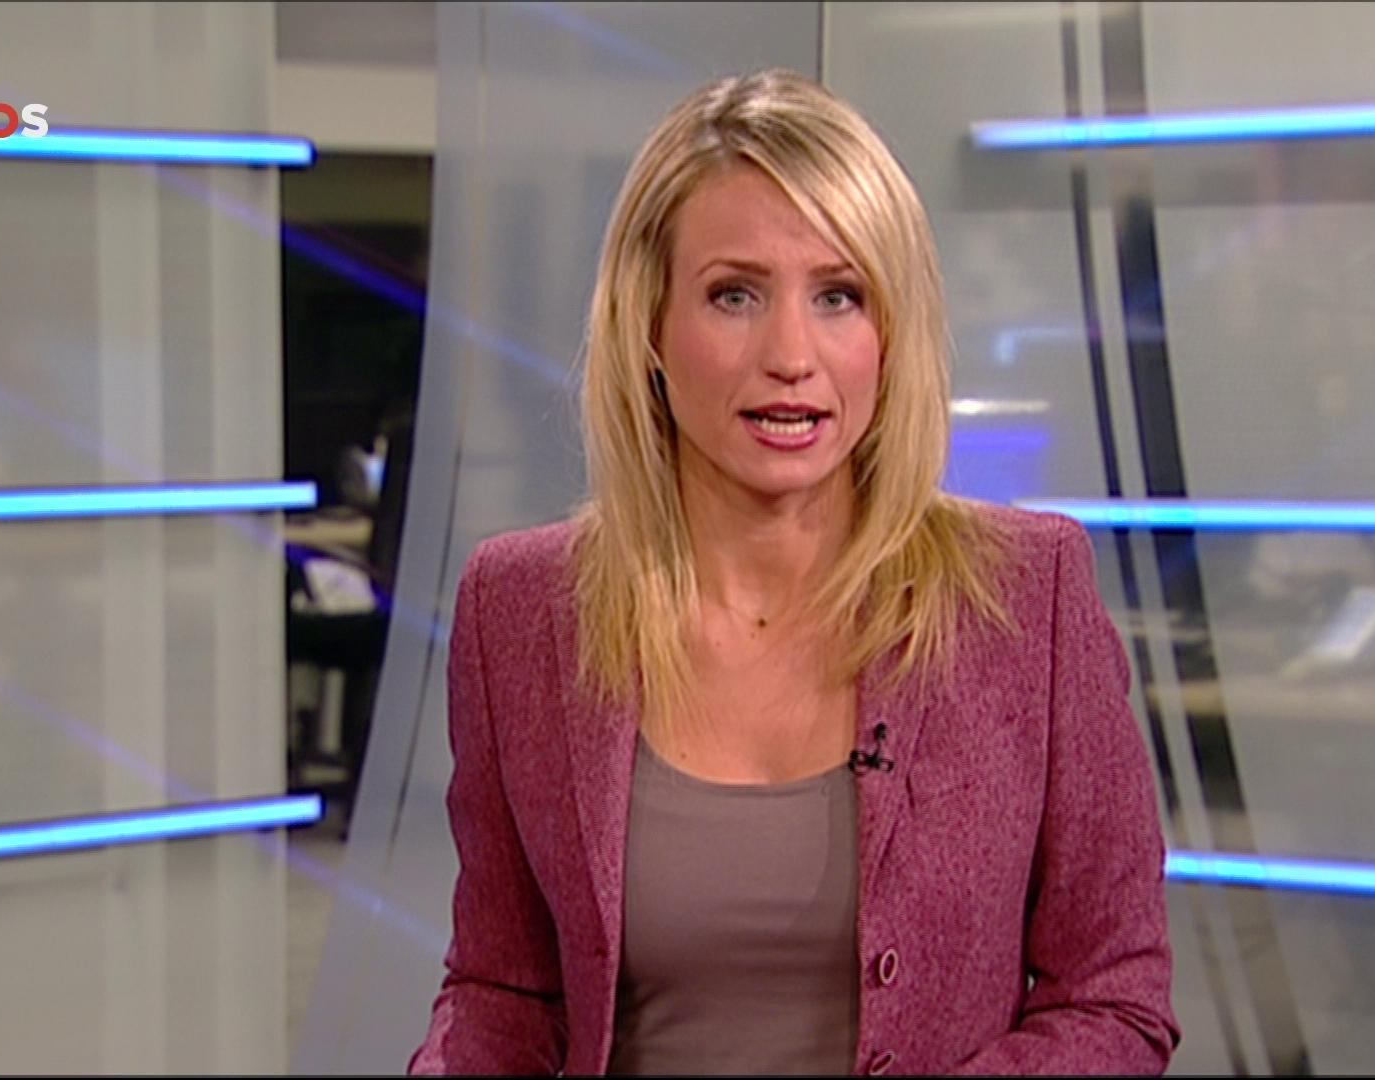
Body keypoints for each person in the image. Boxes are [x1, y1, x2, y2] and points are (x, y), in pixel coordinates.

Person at [408, 68, 1179, 1076]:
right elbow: (504, 991)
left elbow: (1114, 998)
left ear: (891, 335)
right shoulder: (519, 609)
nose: (791, 354)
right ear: (649, 324)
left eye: (839, 297)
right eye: (735, 295)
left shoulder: (1029, 599)